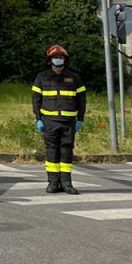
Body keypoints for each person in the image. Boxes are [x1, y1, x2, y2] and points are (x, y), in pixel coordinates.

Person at [32, 44, 86, 195]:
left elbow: (82, 101)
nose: (58, 60)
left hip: (69, 122)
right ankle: (53, 183)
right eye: (55, 57)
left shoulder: (75, 78)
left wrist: (80, 119)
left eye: (60, 57)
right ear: (50, 60)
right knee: (51, 151)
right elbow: (36, 100)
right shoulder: (41, 78)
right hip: (49, 121)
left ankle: (67, 183)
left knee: (66, 151)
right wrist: (38, 118)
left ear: (65, 60)